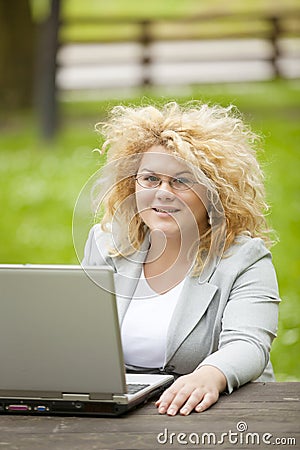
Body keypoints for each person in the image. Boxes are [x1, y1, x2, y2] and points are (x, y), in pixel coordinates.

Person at [81, 101, 280, 416]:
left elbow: (249, 344)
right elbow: (81, 332)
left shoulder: (244, 258)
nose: (163, 193)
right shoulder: (105, 243)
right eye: (150, 179)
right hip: (119, 410)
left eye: (181, 181)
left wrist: (208, 376)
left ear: (215, 192)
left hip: (217, 413)